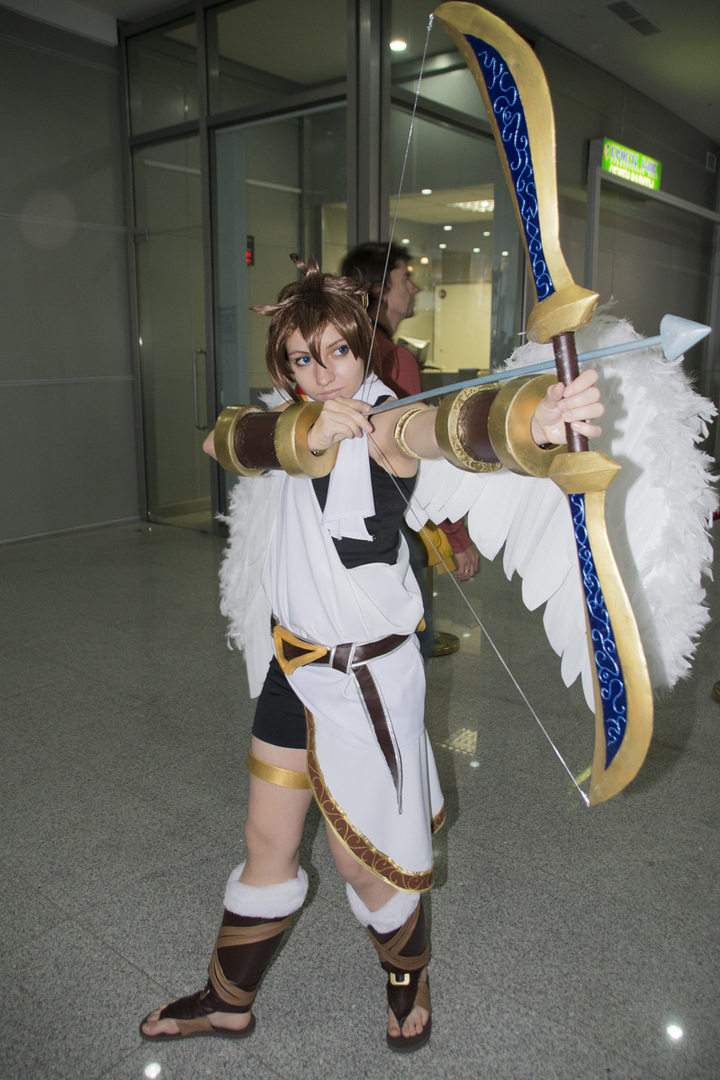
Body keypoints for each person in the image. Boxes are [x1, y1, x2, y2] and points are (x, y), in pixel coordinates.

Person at [140, 256, 603, 1052]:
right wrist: (305, 431)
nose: (323, 374)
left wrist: (534, 420)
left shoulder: (387, 421)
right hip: (293, 669)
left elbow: (447, 428)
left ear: (363, 348)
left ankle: (407, 973)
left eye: (338, 352)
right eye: (302, 358)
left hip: (369, 681)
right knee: (265, 841)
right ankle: (226, 1000)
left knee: (361, 863)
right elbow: (222, 442)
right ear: (284, 369)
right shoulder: (289, 424)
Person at [340, 242, 480, 585]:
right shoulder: (393, 358)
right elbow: (418, 450)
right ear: (379, 291)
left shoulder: (340, 354)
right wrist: (457, 538)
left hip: (341, 514)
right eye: (405, 278)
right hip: (390, 518)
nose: (414, 288)